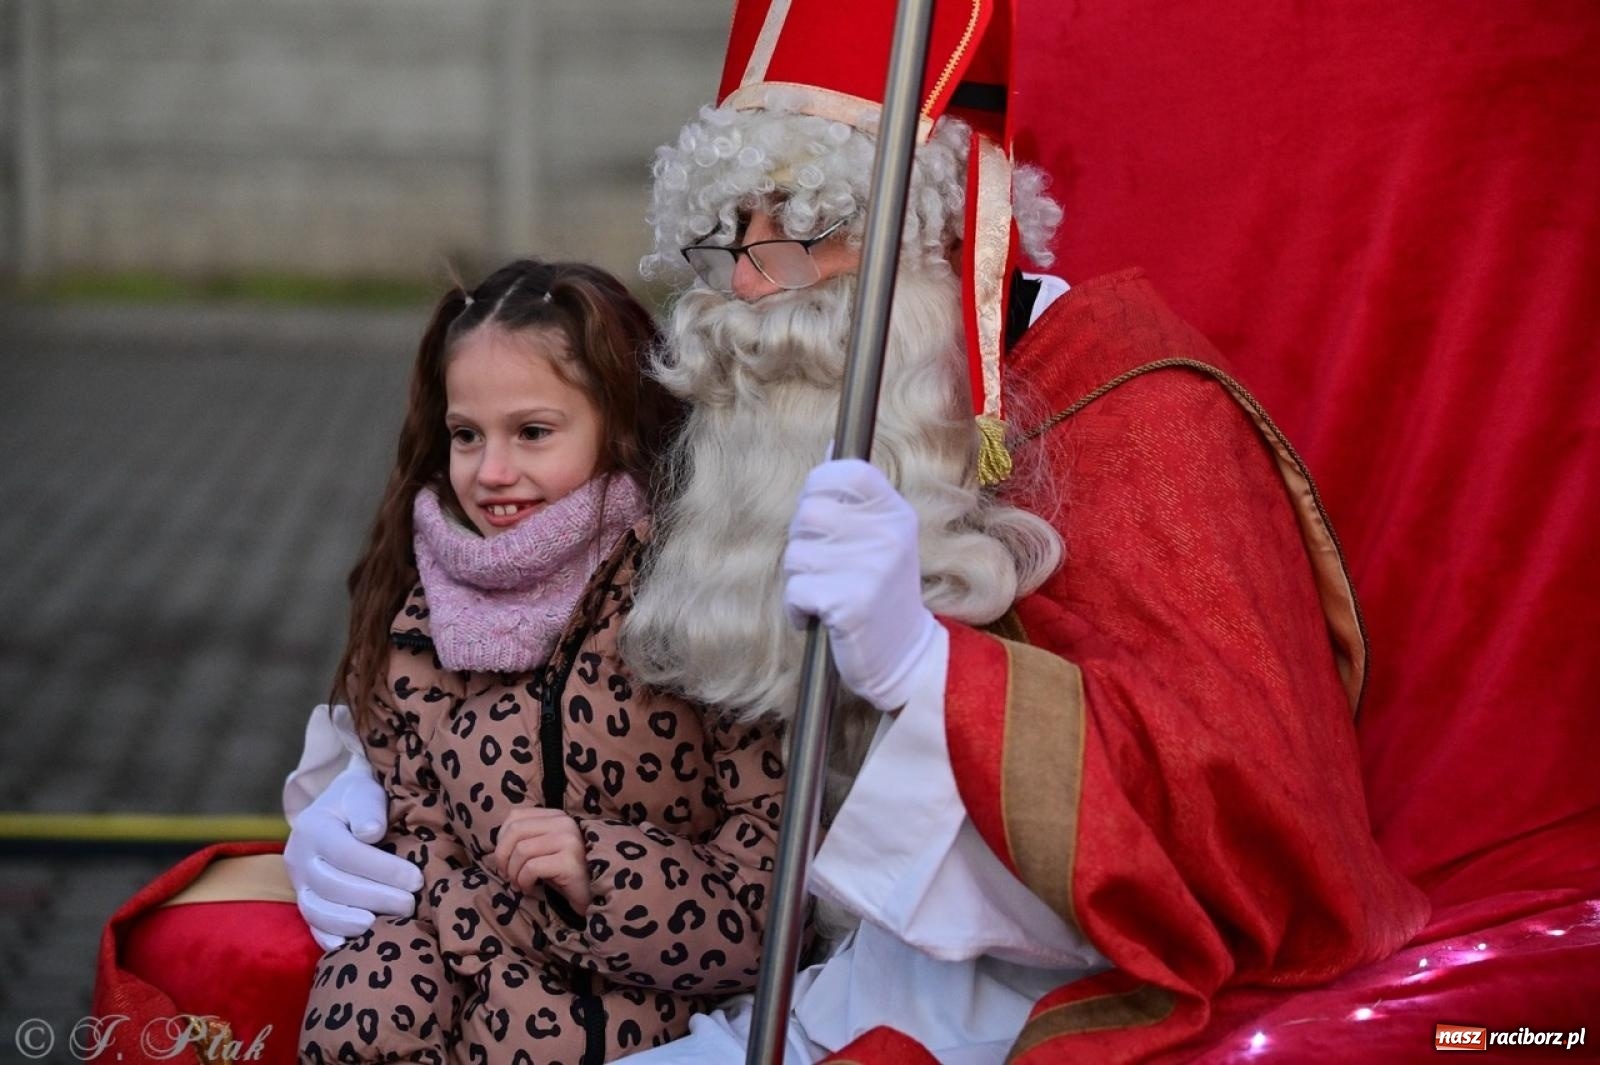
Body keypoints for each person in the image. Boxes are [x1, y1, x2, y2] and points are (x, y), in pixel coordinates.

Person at [285, 2, 1427, 1061]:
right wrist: (357, 783)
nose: (752, 295)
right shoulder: (763, 398)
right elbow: (553, 613)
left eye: (806, 234)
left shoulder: (1135, 410)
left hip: (998, 987)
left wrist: (931, 673)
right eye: (727, 239)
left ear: (941, 232)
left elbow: (1248, 818)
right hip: (754, 964)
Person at [295, 258, 786, 1065]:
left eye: (532, 432)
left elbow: (774, 901)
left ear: (621, 423)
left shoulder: (700, 605)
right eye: (465, 435)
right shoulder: (416, 612)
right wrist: (370, 1017)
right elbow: (418, 864)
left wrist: (607, 869)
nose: (490, 473)